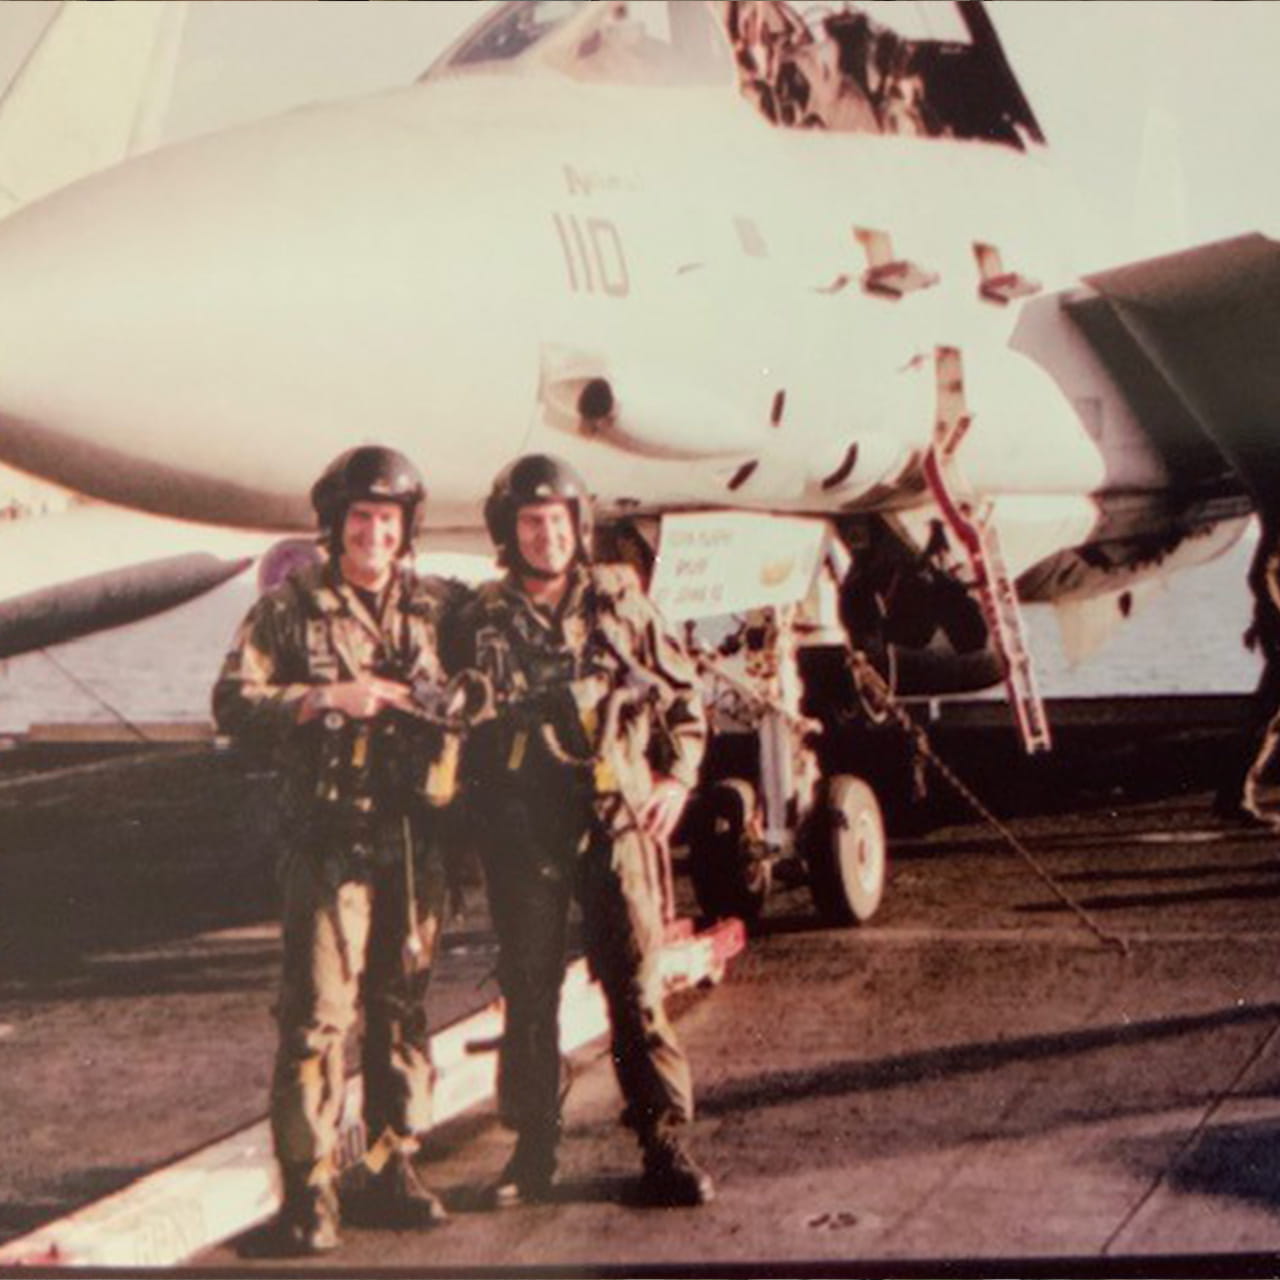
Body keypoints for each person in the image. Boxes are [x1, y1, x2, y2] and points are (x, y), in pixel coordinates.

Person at [212, 445, 468, 1254]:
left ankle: (392, 1164)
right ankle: (311, 1186)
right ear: (336, 525)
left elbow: (486, 678)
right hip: (329, 844)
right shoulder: (291, 610)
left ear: (405, 530)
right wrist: (325, 697)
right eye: (361, 518)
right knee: (319, 1017)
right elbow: (232, 702)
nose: (374, 534)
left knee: (401, 1009)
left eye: (388, 521)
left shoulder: (434, 609)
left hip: (410, 840)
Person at [445, 453, 714, 1209]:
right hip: (523, 834)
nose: (546, 536)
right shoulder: (479, 620)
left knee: (634, 986)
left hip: (613, 827)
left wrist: (678, 780)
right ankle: (533, 1151)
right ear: (510, 531)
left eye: (558, 521)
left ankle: (662, 1142)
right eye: (531, 522)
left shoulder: (620, 604)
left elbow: (684, 698)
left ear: (577, 527)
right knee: (529, 994)